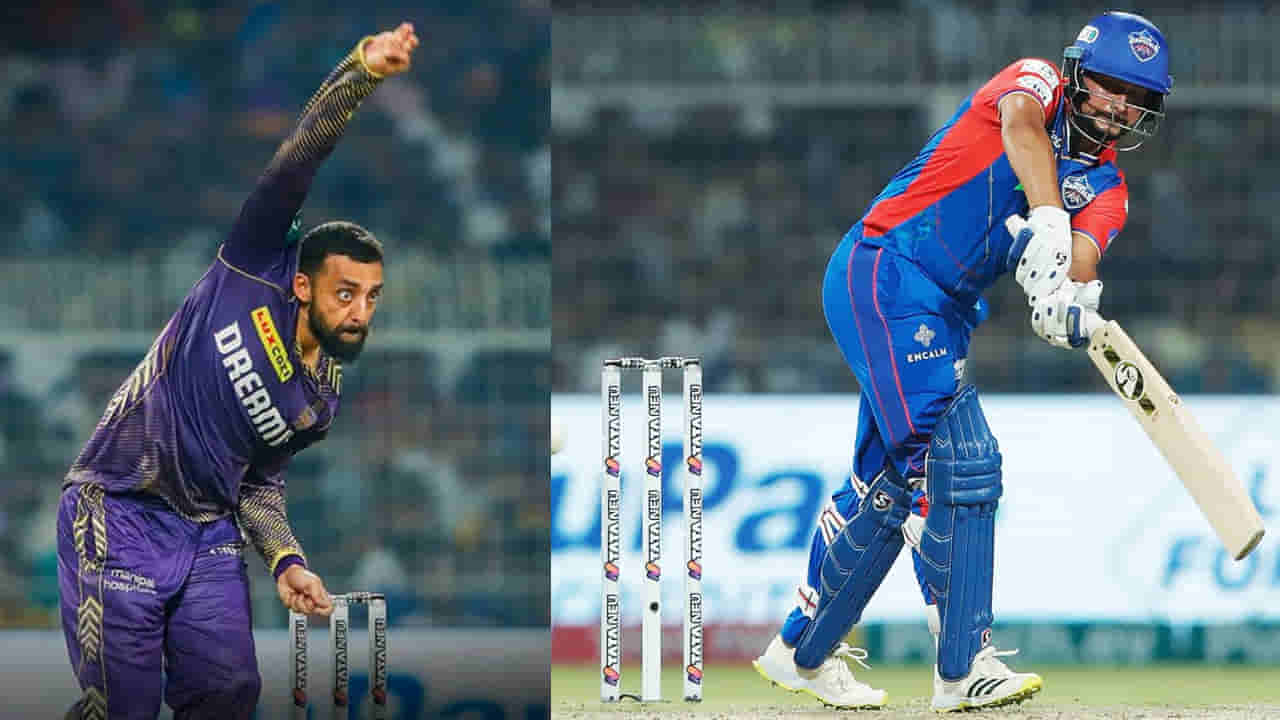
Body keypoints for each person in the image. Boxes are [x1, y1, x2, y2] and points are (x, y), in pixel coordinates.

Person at [752, 11, 1172, 712]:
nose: (1119, 106)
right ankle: (964, 666)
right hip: (886, 269)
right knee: (963, 459)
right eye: (1109, 85)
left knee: (891, 484)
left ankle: (801, 652)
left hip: (943, 313)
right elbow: (1021, 129)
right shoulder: (1035, 83)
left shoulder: (1107, 188)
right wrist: (1047, 218)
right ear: (1078, 73)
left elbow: (1079, 261)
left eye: (1137, 99)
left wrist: (1066, 303)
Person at [56, 23, 419, 719]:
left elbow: (256, 482)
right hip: (120, 505)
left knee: (229, 694)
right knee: (121, 708)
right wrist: (362, 74)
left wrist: (286, 560)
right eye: (346, 293)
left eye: (372, 298)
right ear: (304, 286)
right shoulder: (253, 264)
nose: (360, 312)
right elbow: (296, 162)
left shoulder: (320, 399)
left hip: (208, 534)